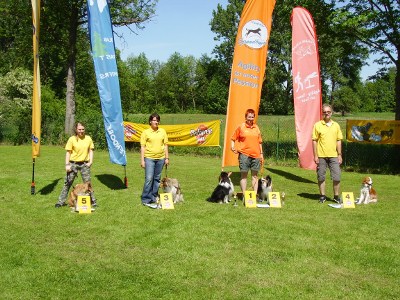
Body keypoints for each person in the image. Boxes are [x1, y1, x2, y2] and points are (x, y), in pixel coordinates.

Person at [55, 122, 97, 208]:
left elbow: (91, 150)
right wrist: (67, 165)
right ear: (76, 130)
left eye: (83, 129)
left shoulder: (88, 138)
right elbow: (68, 152)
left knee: (88, 184)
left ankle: (93, 202)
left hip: (85, 164)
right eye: (79, 129)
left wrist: (90, 162)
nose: (81, 131)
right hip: (73, 164)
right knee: (68, 183)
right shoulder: (72, 139)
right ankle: (60, 202)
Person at [312, 103, 343, 203]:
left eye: (328, 112)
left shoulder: (336, 125)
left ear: (332, 113)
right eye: (324, 112)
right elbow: (314, 140)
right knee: (321, 177)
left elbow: (339, 140)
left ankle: (336, 196)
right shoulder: (317, 125)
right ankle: (322, 196)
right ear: (322, 113)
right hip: (321, 156)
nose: (326, 114)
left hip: (334, 155)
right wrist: (315, 155)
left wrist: (339, 154)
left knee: (337, 177)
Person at [231, 108, 264, 193]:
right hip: (244, 155)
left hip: (256, 156)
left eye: (252, 117)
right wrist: (232, 147)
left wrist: (261, 154)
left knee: (255, 176)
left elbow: (260, 142)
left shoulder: (256, 128)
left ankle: (254, 195)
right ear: (246, 117)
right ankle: (244, 195)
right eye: (249, 117)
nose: (250, 119)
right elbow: (233, 138)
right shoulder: (241, 127)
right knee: (244, 176)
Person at [140, 113, 169, 208]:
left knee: (157, 179)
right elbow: (142, 147)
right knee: (149, 179)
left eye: (157, 120)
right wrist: (142, 160)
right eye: (154, 120)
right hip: (149, 158)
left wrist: (167, 158)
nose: (156, 122)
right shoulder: (145, 132)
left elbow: (165, 145)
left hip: (161, 158)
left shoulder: (162, 131)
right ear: (150, 121)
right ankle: (145, 199)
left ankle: (153, 197)